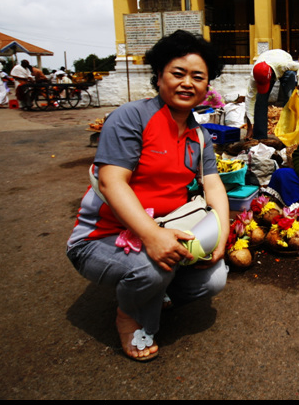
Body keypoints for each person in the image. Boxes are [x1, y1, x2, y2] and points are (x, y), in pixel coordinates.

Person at [66, 30, 229, 362]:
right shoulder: (131, 117)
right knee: (155, 268)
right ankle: (129, 314)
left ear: (206, 86)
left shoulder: (199, 134)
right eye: (178, 73)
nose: (188, 83)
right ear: (159, 76)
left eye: (198, 77)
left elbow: (214, 186)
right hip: (103, 236)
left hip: (164, 228)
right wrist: (152, 235)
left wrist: (222, 236)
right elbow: (112, 182)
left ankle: (153, 295)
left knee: (215, 278)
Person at [245, 48, 299, 139]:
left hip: (283, 63)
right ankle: (260, 136)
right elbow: (250, 99)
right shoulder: (255, 75)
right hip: (268, 63)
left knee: (290, 100)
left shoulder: (284, 65)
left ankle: (288, 133)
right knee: (260, 101)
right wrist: (250, 126)